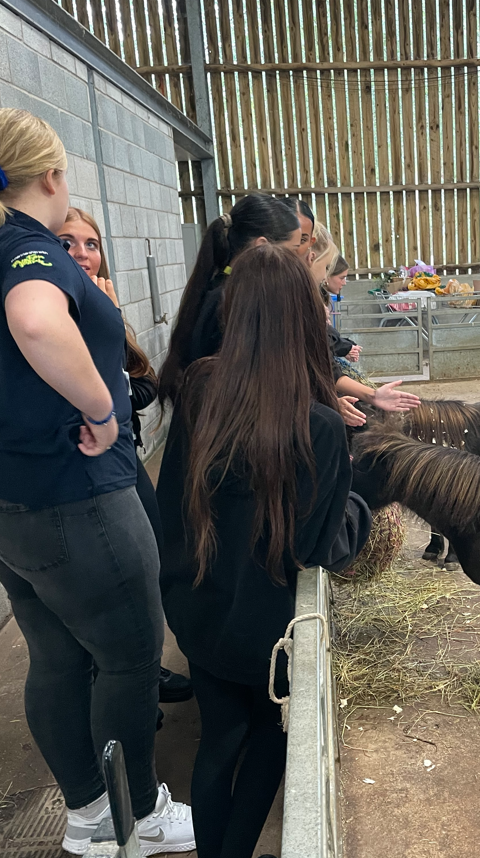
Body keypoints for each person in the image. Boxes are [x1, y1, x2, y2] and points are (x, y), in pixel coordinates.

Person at [0, 108, 193, 855]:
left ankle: (89, 815)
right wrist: (102, 409)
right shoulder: (29, 252)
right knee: (129, 656)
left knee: (58, 657)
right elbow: (40, 325)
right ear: (52, 177)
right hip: (65, 499)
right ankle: (138, 817)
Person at [156, 244, 371, 858]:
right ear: (307, 316)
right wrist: (361, 496)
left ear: (236, 312)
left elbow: (168, 502)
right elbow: (318, 545)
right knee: (271, 742)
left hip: (199, 609)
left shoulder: (200, 392)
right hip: (268, 630)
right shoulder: (321, 426)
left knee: (219, 739)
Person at [58, 206, 193, 708]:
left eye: (90, 244)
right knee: (117, 576)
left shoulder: (100, 305)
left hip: (122, 455)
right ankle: (124, 689)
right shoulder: (66, 314)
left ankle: (144, 673)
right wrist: (107, 326)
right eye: (67, 243)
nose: (81, 254)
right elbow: (104, 390)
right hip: (90, 469)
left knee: (150, 557)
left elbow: (141, 383)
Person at [157, 194, 302, 408]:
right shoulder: (229, 303)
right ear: (261, 246)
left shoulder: (220, 289)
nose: (297, 261)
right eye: (292, 251)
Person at [305, 223, 421, 415]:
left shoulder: (316, 299)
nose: (325, 275)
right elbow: (322, 351)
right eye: (326, 267)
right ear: (311, 259)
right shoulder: (308, 303)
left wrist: (371, 394)